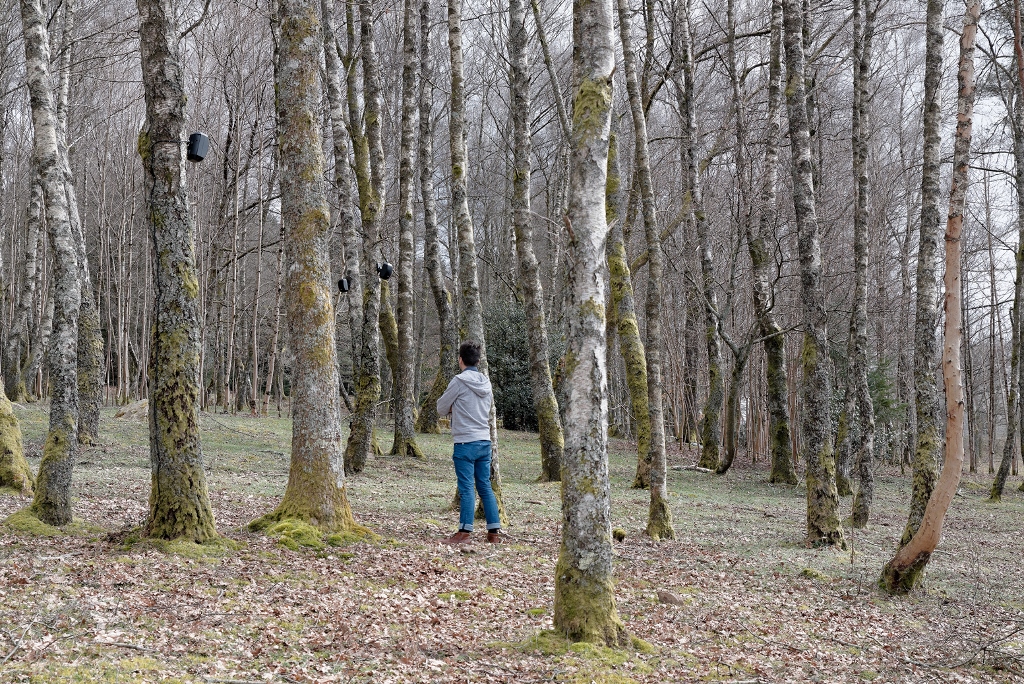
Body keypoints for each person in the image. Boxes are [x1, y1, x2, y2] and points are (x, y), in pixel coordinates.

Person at [436, 341, 507, 544]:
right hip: (485, 440)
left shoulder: (459, 381)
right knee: (484, 486)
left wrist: (454, 408)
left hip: (465, 441)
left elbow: (441, 407)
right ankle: (493, 533)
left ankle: (464, 532)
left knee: (467, 487)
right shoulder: (486, 382)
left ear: (460, 360)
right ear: (478, 360)